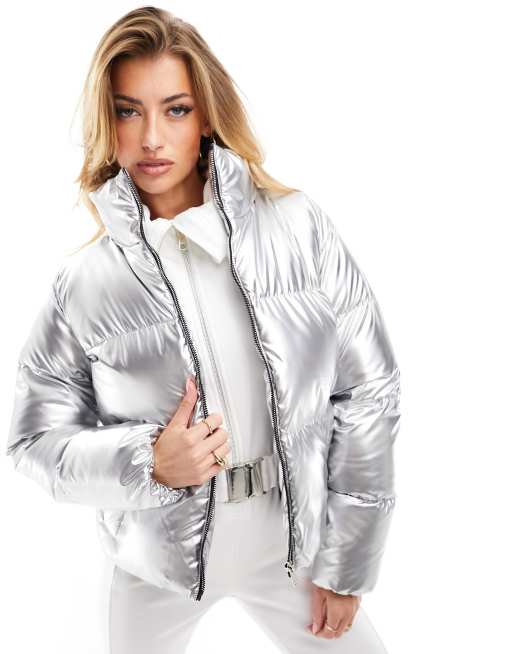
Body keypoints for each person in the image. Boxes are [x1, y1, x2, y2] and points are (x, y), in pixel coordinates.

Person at [5, 6, 401, 653]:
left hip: (292, 549)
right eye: (128, 111)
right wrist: (149, 462)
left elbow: (368, 390)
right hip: (155, 566)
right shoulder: (85, 283)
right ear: (106, 122)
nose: (151, 138)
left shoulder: (296, 228)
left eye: (176, 109)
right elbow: (33, 440)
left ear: (207, 116)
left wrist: (347, 560)